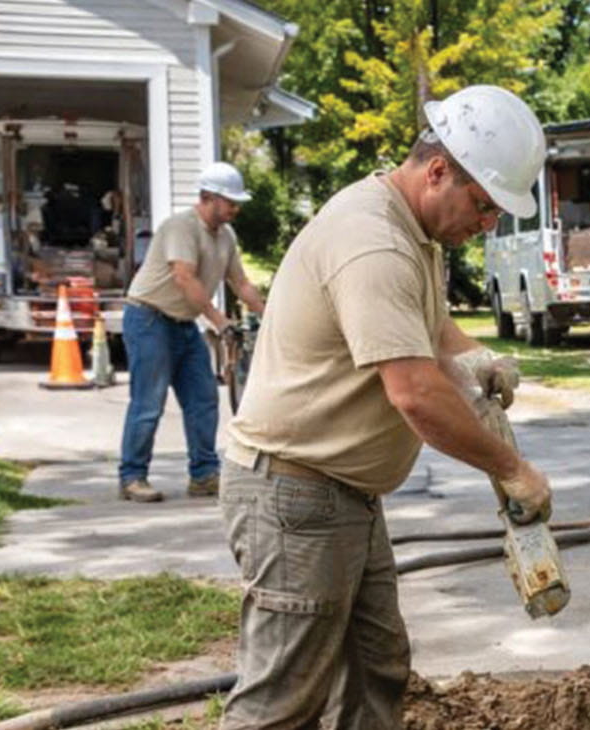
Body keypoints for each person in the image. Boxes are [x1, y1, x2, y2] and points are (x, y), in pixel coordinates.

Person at [215, 85, 552, 729]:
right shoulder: (374, 242)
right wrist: (512, 469)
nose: (487, 225)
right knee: (281, 701)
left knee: (376, 665)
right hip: (296, 495)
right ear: (436, 171)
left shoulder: (413, 230)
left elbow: (430, 326)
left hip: (341, 495)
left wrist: (476, 359)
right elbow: (416, 394)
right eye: (483, 206)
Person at [118, 162, 265, 502]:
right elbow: (184, 277)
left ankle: (203, 475)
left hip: (183, 324)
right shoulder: (181, 227)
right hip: (149, 319)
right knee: (148, 402)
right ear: (209, 197)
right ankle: (132, 477)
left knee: (203, 399)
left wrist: (270, 316)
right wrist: (219, 320)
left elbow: (240, 282)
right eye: (230, 201)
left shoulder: (226, 236)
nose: (235, 208)